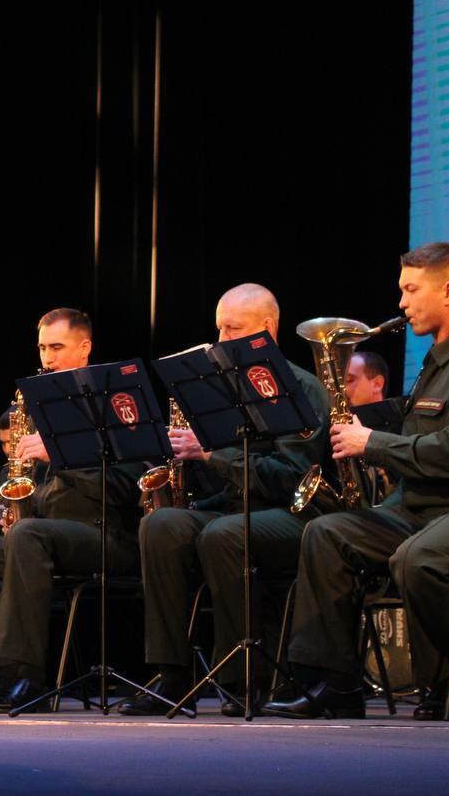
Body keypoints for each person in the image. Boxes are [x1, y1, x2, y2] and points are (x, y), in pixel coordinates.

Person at [265, 241, 449, 721]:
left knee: (418, 557)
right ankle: (336, 684)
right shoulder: (436, 360)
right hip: (424, 508)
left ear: (448, 291)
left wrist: (372, 443)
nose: (402, 303)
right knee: (326, 533)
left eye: (411, 290)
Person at [118, 283, 332, 716]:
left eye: (233, 330)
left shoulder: (302, 389)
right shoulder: (216, 390)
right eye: (219, 329)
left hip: (290, 513)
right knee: (160, 524)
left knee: (223, 534)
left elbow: (291, 477)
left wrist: (211, 455)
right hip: (231, 508)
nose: (221, 341)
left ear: (267, 329)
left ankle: (243, 677)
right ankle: (172, 672)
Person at [0, 308, 144, 713]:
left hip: (105, 535)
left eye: (57, 347)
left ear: (85, 347)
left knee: (28, 535)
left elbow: (124, 489)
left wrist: (60, 453)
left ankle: (28, 678)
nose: (47, 358)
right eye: (43, 348)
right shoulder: (37, 409)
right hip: (41, 537)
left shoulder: (115, 401)